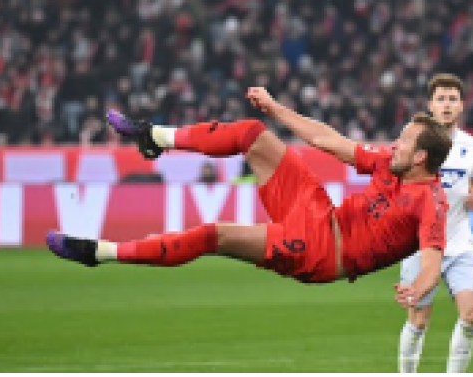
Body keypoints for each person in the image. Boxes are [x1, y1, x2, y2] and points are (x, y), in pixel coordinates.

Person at [47, 87, 451, 312]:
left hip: (322, 251)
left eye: (403, 142)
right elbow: (329, 140)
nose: (393, 145)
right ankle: (154, 136)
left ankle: (99, 252)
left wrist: (417, 289)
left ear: (420, 158)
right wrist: (277, 108)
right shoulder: (390, 164)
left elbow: (431, 263)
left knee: (214, 235)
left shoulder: (430, 202)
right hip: (320, 213)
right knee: (250, 133)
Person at [398, 73, 473, 374]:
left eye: (452, 99)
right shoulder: (414, 141)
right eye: (441, 99)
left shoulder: (472, 146)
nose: (446, 105)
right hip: (421, 247)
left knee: (471, 315)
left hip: (460, 243)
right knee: (418, 321)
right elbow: (397, 183)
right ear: (430, 105)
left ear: (461, 106)